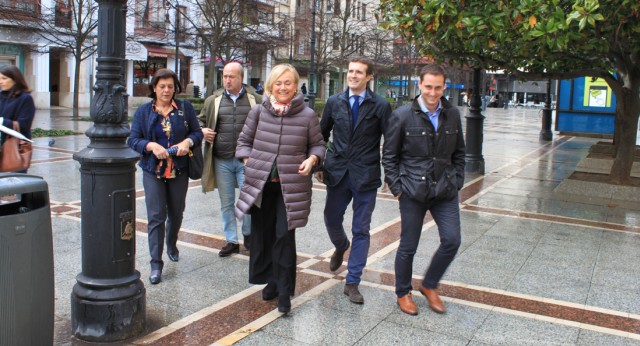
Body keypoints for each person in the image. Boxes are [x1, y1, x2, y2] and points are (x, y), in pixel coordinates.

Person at [235, 64, 325, 313]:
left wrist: (312, 159)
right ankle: (272, 281)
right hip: (262, 187)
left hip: (290, 187)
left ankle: (284, 293)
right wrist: (248, 160)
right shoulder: (258, 113)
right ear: (270, 86)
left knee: (284, 237)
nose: (283, 87)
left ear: (296, 86)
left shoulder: (307, 115)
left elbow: (318, 146)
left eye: (288, 83)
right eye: (278, 83)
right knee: (263, 236)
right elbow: (243, 142)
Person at [382, 64, 465, 316]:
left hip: (445, 190)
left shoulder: (452, 114)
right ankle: (402, 292)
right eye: (428, 86)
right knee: (409, 245)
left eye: (438, 87)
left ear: (444, 87)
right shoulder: (403, 115)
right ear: (419, 85)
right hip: (412, 190)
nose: (433, 92)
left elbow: (459, 152)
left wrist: (456, 180)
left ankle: (429, 285)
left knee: (452, 240)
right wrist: (398, 188)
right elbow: (389, 156)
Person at [315, 57, 392, 304]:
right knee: (331, 218)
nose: (353, 75)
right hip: (337, 172)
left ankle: (353, 282)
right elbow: (320, 135)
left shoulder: (380, 105)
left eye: (359, 72)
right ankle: (340, 245)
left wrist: (390, 173)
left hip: (366, 175)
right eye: (350, 71)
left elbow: (390, 142)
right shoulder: (334, 102)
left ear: (369, 76)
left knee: (362, 229)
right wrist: (318, 163)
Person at [128, 68, 203, 285]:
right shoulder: (144, 112)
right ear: (154, 88)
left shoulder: (185, 109)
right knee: (156, 216)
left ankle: (171, 243)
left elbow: (197, 133)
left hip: (179, 169)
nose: (167, 90)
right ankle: (155, 263)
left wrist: (187, 142)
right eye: (162, 86)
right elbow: (133, 140)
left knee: (176, 213)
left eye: (170, 86)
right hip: (153, 170)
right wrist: (150, 145)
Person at [198, 62, 262, 257]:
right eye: (225, 76)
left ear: (241, 78)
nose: (227, 80)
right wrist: (202, 130)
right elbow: (199, 120)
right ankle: (231, 240)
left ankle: (249, 235)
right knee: (226, 203)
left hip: (247, 161)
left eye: (231, 76)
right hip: (222, 159)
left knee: (249, 202)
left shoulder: (256, 100)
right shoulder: (213, 100)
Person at [0, 65, 35, 173]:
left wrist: (1, 121)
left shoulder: (25, 98)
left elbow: (24, 125)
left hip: (15, 149)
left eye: (4, 78)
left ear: (15, 80)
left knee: (14, 184)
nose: (1, 81)